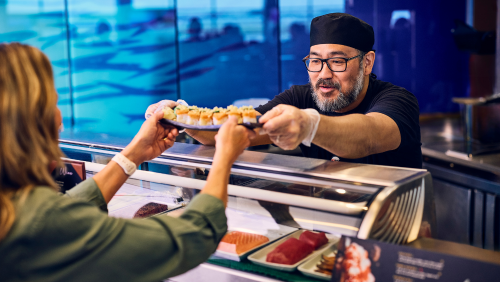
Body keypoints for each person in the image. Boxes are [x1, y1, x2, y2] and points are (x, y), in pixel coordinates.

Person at [0, 43, 255, 281]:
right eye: (54, 105)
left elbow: (65, 209)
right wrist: (224, 155)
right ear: (30, 123)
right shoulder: (41, 225)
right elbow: (191, 236)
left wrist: (134, 154)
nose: (60, 120)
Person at [146, 13, 422, 169]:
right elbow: (231, 131)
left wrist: (309, 125)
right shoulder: (299, 98)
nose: (324, 74)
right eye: (315, 61)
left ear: (367, 63)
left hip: (392, 230)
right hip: (328, 221)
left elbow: (369, 135)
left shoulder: (397, 100)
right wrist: (183, 118)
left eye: (337, 62)